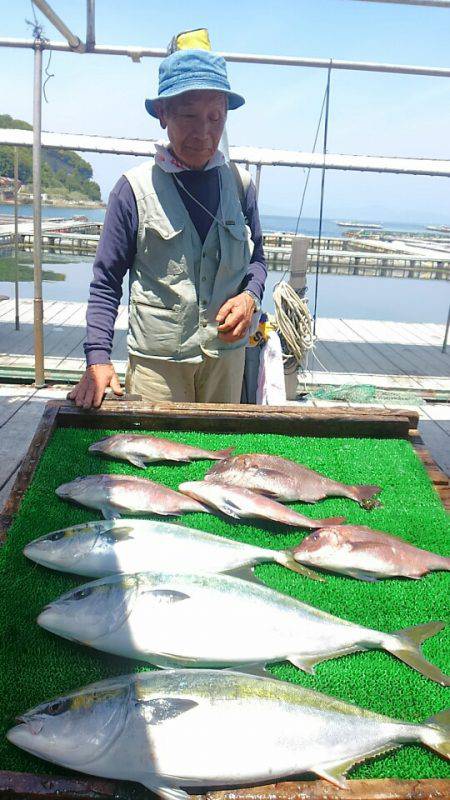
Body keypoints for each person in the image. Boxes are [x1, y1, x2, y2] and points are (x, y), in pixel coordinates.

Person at [69, 49, 267, 408]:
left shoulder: (241, 185)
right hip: (157, 369)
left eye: (215, 117)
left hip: (226, 361)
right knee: (159, 456)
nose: (204, 132)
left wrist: (250, 296)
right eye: (189, 116)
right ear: (162, 114)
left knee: (222, 454)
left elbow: (259, 261)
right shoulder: (133, 190)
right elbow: (106, 281)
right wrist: (97, 358)